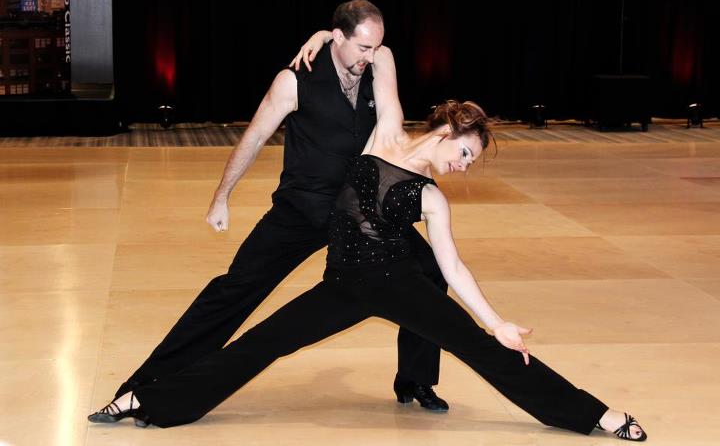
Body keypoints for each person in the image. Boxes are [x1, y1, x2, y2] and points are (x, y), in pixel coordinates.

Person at [89, 39, 647, 440]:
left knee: (482, 347)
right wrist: (330, 38)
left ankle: (589, 414)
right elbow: (379, 53)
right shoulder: (388, 130)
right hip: (342, 281)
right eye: (465, 154)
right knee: (260, 341)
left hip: (399, 281)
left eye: (470, 162)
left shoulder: (434, 198)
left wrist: (497, 321)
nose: (463, 166)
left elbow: (454, 268)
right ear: (447, 132)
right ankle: (152, 397)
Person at [108, 0, 450, 413]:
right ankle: (150, 380)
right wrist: (222, 197)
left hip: (360, 211)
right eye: (362, 47)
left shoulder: (378, 63)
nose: (369, 56)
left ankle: (414, 380)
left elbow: (381, 80)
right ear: (338, 38)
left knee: (428, 271)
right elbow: (252, 138)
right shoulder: (295, 80)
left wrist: (332, 38)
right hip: (302, 208)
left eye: (375, 47)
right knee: (235, 288)